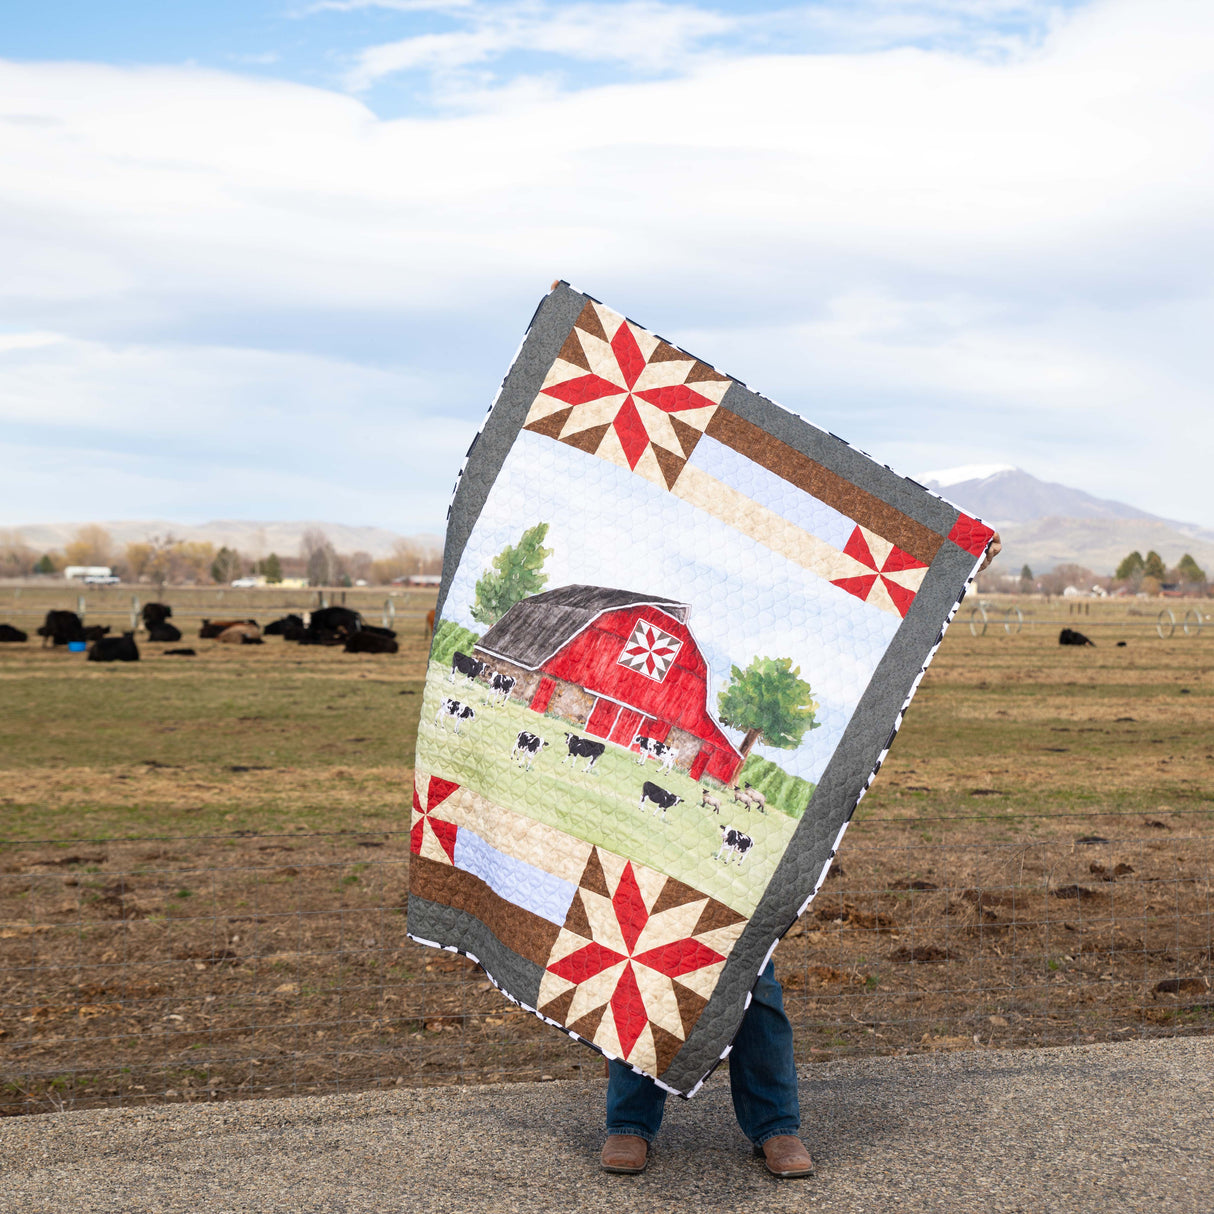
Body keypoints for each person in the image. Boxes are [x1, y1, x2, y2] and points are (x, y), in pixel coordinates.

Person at [600, 532, 1002, 1178]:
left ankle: (774, 1125)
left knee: (752, 980)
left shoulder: (784, 604)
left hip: (737, 829)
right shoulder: (672, 589)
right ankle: (630, 1120)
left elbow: (864, 603)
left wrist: (955, 558)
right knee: (644, 955)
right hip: (656, 814)